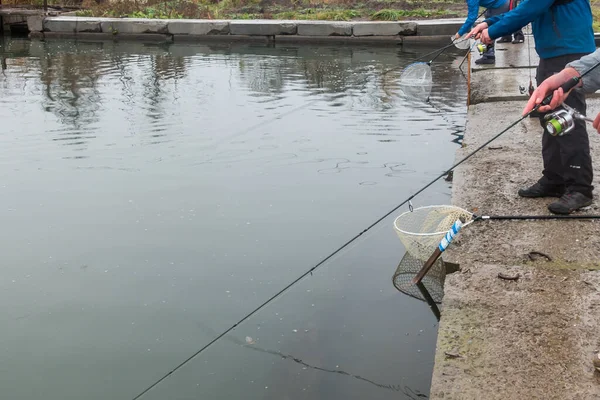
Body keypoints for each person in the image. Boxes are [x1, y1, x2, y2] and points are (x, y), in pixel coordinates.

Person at [468, 0, 596, 215]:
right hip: (552, 53)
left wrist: (493, 31)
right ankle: (554, 179)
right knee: (548, 117)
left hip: (570, 52)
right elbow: (525, 7)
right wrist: (489, 22)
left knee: (569, 122)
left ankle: (580, 188)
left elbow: (530, 8)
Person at [454, 0, 524, 65]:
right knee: (489, 18)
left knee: (488, 28)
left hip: (500, 4)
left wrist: (460, 33)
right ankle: (507, 37)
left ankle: (489, 56)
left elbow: (472, 17)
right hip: (499, 3)